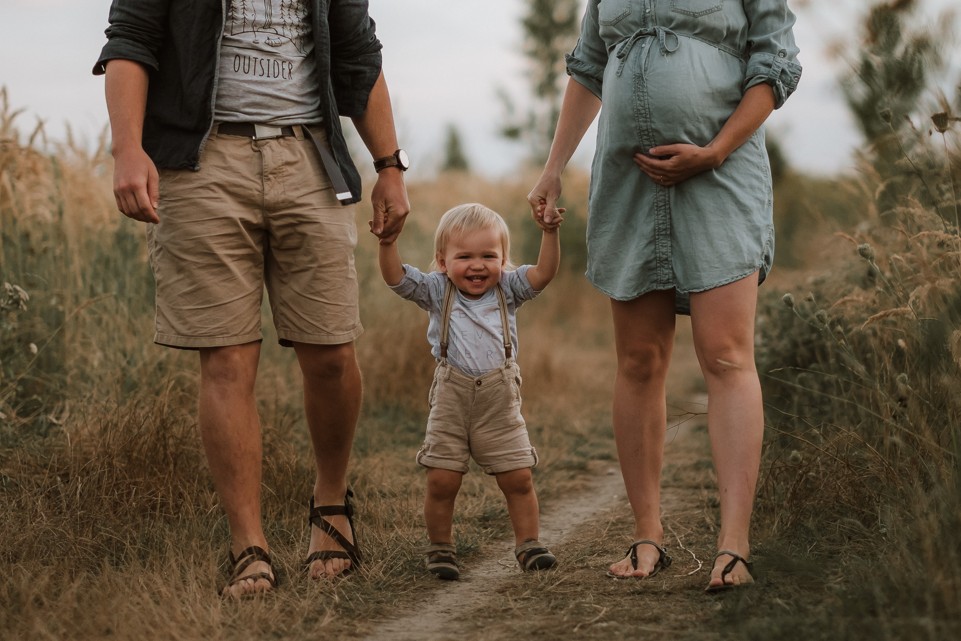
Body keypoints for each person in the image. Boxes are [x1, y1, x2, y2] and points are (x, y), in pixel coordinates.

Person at [93, 0, 411, 598]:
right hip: (200, 162)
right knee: (227, 359)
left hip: (312, 158)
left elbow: (358, 54)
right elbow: (130, 40)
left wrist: (389, 165)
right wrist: (126, 148)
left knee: (332, 352)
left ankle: (332, 502)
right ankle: (249, 547)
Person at [527, 1, 802, 591]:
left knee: (726, 355)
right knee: (639, 360)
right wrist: (553, 167)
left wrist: (717, 149)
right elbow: (587, 67)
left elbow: (776, 66)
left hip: (720, 173)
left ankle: (734, 547)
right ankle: (647, 536)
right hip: (628, 178)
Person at [376, 203, 562, 580]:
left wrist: (549, 233)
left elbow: (543, 274)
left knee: (518, 477)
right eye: (465, 256)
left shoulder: (507, 289)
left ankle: (529, 544)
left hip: (499, 399)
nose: (477, 266)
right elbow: (396, 279)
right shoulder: (436, 290)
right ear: (442, 261)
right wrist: (387, 243)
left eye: (488, 256)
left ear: (504, 260)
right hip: (452, 397)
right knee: (442, 479)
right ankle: (440, 549)